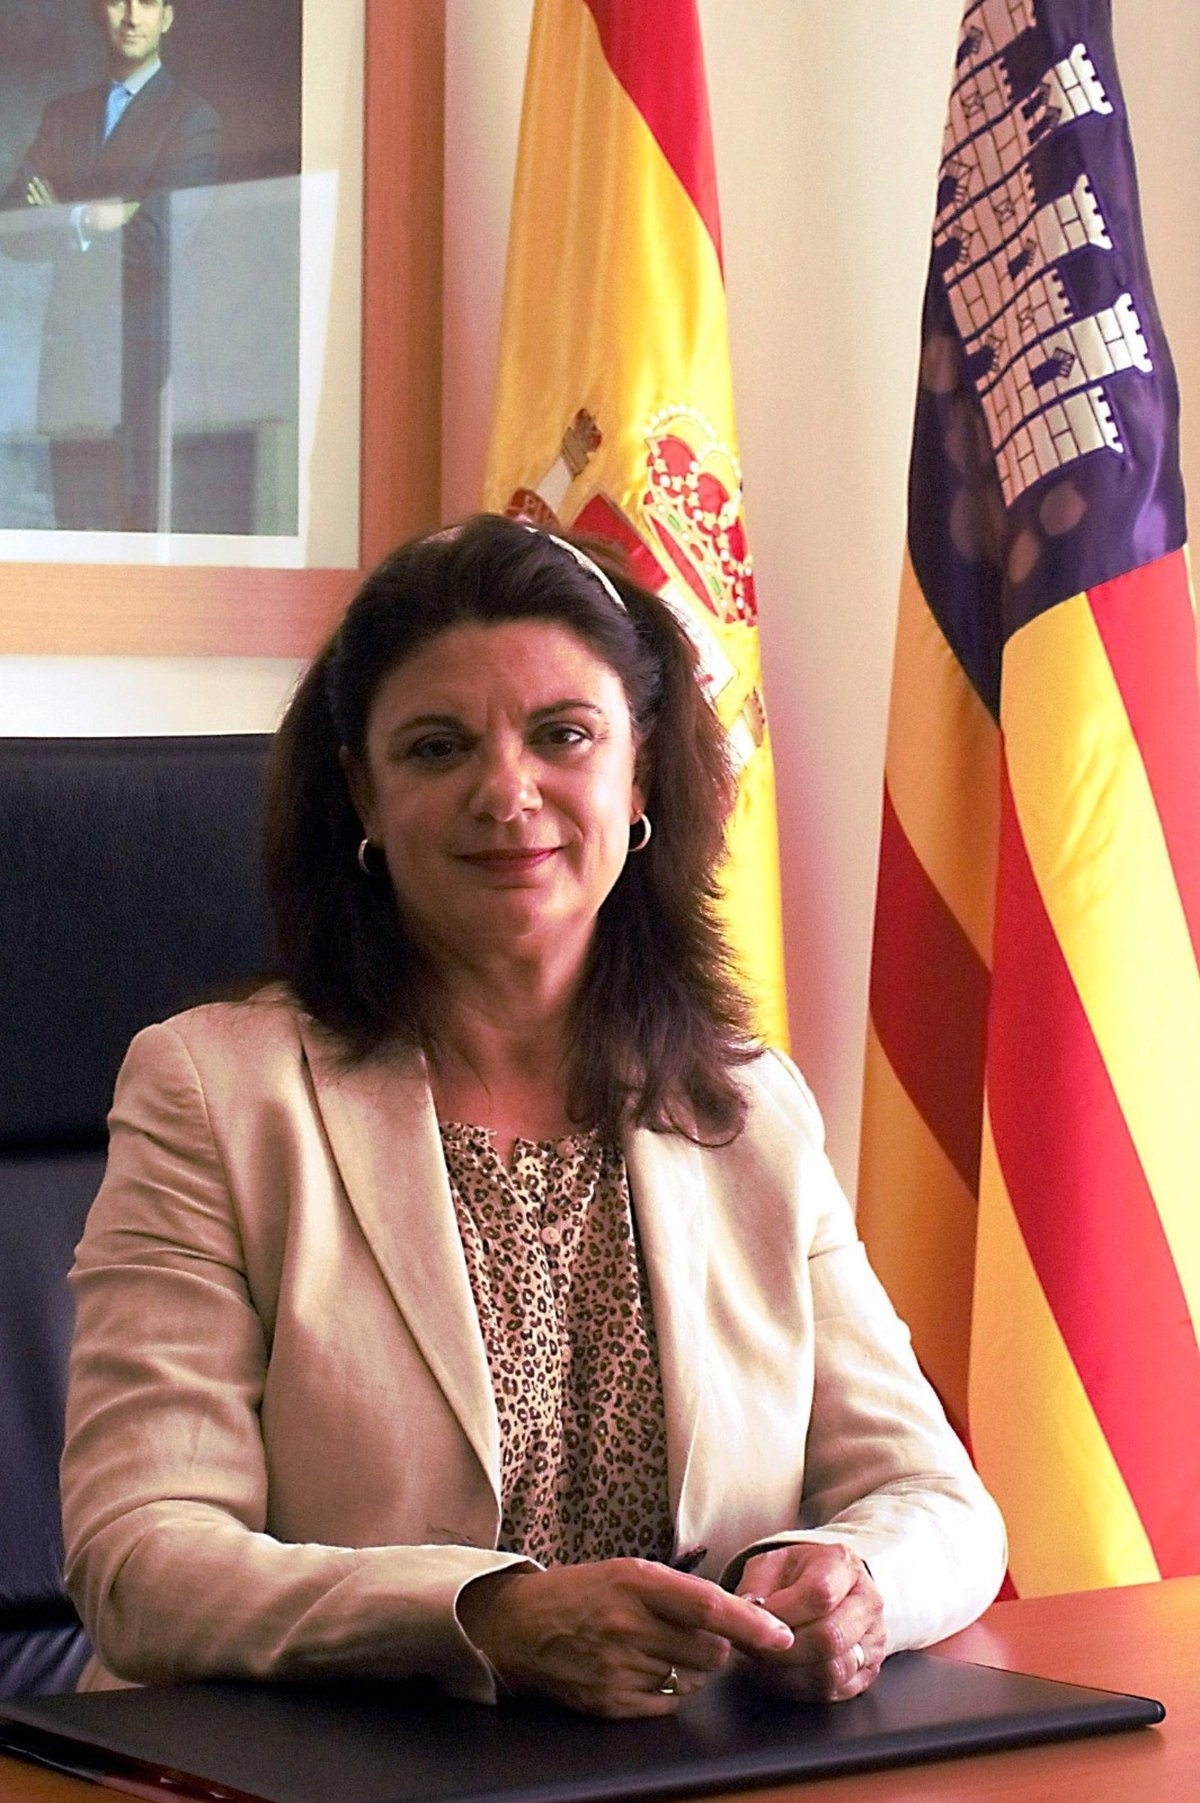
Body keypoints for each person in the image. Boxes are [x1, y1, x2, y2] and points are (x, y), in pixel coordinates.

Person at [61, 514, 1006, 1719]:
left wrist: (851, 1580)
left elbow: (940, 1503)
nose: (507, 793)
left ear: (640, 770)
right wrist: (481, 1620)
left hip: (691, 1768)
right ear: (363, 792)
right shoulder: (215, 1093)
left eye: (563, 735)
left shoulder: (746, 1106)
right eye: (437, 747)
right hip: (331, 1769)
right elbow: (140, 1559)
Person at [0, 0, 220, 530]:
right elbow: (13, 225)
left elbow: (158, 239)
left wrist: (61, 213)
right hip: (71, 368)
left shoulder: (192, 120)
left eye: (148, 3)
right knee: (77, 537)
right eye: (120, 1)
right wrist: (93, 217)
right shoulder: (64, 115)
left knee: (138, 538)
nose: (132, 17)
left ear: (168, 16)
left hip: (142, 369)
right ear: (100, 12)